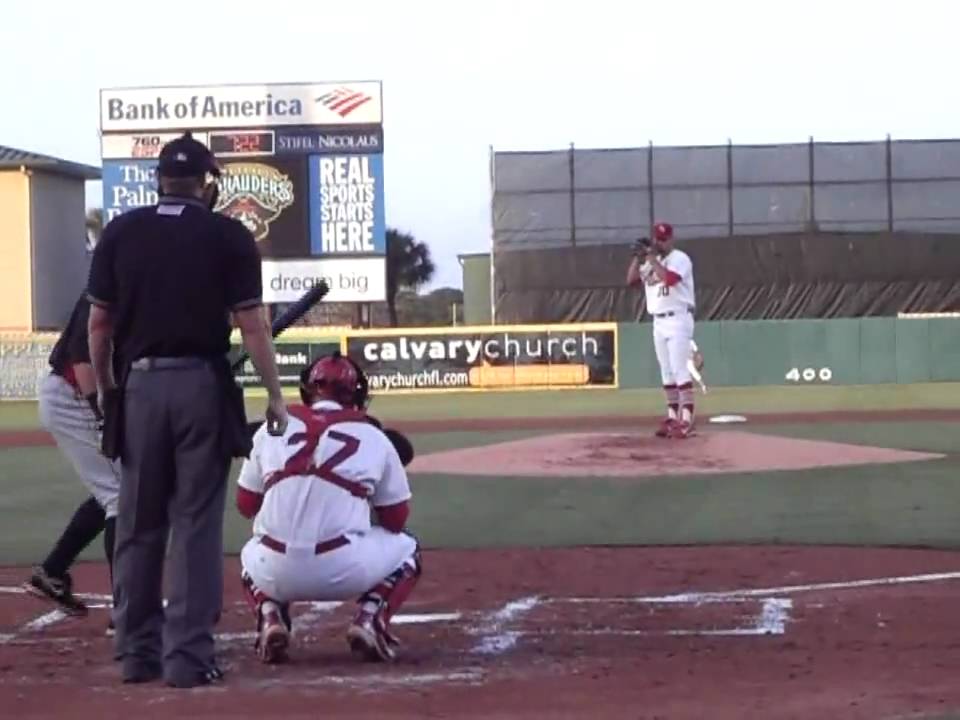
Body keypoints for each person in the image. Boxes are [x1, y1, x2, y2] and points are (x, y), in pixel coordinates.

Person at [86, 132, 288, 688]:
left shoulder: (122, 231)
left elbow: (98, 324)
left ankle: (135, 653)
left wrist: (108, 389)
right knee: (195, 525)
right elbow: (252, 325)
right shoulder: (228, 234)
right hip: (201, 383)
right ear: (208, 183)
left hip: (140, 388)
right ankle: (188, 658)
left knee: (137, 524)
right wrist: (274, 394)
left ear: (159, 180)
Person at [236, 351, 421, 665]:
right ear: (357, 395)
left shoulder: (272, 428)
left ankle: (269, 616)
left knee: (251, 551)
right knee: (409, 549)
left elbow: (245, 505)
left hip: (273, 571)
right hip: (345, 569)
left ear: (307, 390)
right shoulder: (374, 436)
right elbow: (396, 520)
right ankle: (369, 619)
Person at [23, 293, 119, 630]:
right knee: (122, 497)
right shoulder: (109, 286)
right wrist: (103, 415)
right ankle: (126, 609)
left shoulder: (137, 282)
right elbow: (82, 360)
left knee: (111, 488)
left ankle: (52, 570)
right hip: (74, 395)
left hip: (83, 396)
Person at [626, 221, 697, 438]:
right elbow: (631, 281)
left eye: (664, 239)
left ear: (671, 240)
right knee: (666, 372)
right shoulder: (650, 262)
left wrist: (651, 258)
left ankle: (685, 420)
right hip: (658, 320)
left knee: (679, 369)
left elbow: (670, 279)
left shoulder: (680, 259)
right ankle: (672, 417)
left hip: (678, 317)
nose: (660, 242)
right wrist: (637, 258)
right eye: (657, 239)